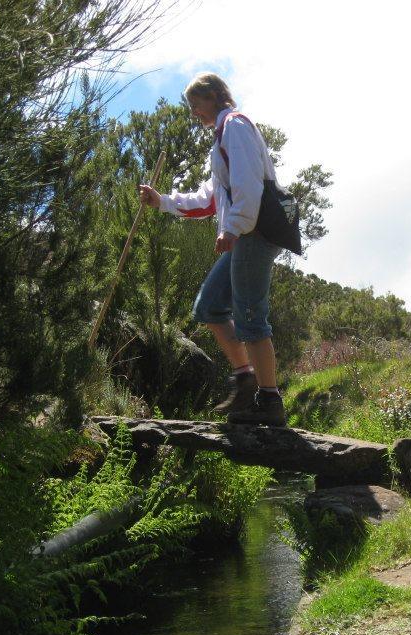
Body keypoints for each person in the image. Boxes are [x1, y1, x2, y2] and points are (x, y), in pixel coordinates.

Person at [139, 72, 287, 426]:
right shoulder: (221, 139)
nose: (194, 113)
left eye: (197, 104)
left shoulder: (235, 126)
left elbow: (250, 185)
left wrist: (233, 228)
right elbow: (209, 199)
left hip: (255, 232)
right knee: (208, 307)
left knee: (250, 314)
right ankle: (246, 379)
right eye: (190, 107)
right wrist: (163, 201)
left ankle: (269, 402)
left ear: (218, 96)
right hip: (243, 234)